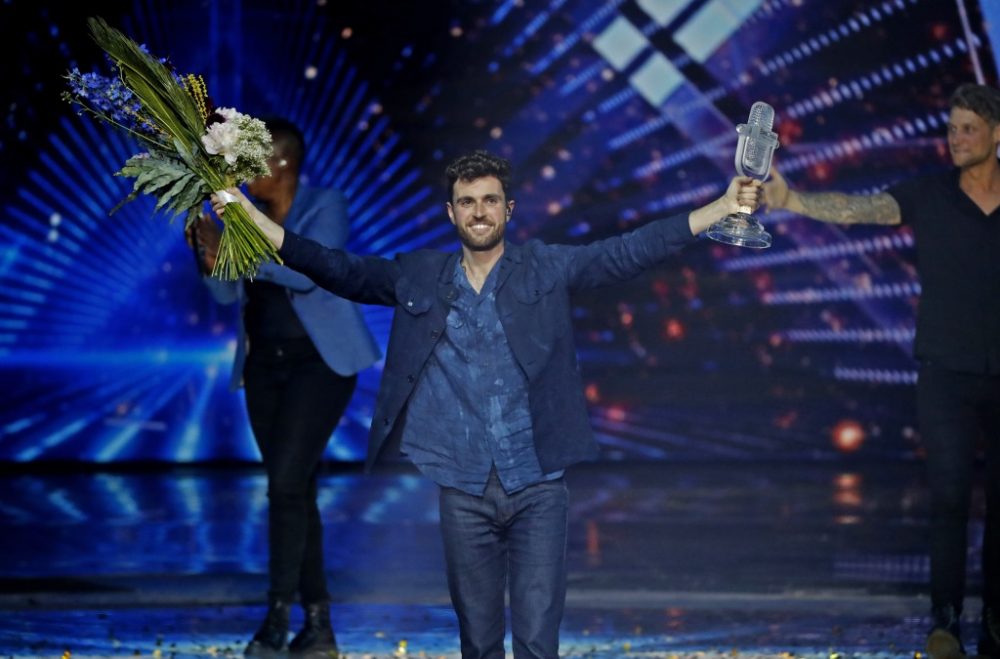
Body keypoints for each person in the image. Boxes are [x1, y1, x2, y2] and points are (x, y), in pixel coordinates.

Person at [212, 150, 760, 659]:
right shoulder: (419, 275)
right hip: (464, 489)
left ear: (509, 208)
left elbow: (627, 252)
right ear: (451, 212)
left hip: (539, 485)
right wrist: (252, 220)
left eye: (490, 200)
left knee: (538, 642)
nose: (480, 212)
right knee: (476, 643)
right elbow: (332, 266)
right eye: (468, 202)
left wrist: (720, 206)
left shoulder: (545, 268)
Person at [761, 84, 1000, 659]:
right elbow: (860, 208)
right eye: (951, 128)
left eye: (968, 128)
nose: (955, 138)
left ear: (997, 134)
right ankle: (944, 619)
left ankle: (994, 620)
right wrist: (793, 199)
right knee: (948, 498)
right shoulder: (929, 194)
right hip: (945, 372)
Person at [191, 118, 381, 658]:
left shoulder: (326, 205)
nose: (246, 176)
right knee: (293, 491)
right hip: (264, 371)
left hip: (318, 367)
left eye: (254, 163)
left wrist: (239, 241)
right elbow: (228, 297)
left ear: (283, 163)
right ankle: (318, 624)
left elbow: (305, 274)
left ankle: (276, 615)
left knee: (284, 487)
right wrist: (206, 251)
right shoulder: (243, 220)